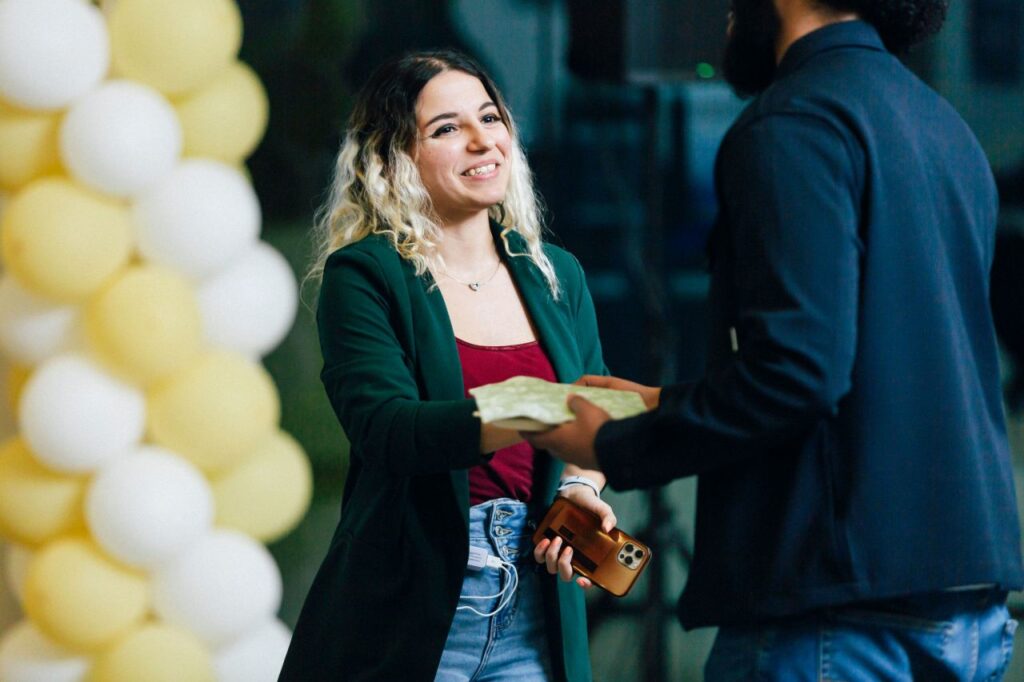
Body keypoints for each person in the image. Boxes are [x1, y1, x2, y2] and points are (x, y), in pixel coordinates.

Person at [528, 0, 1024, 679]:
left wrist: (611, 443)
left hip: (836, 619)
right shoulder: (944, 128)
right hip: (967, 607)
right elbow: (863, 368)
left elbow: (799, 372)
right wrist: (660, 404)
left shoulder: (791, 123)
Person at [278, 50, 614, 682]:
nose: (483, 139)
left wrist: (579, 488)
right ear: (394, 159)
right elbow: (389, 431)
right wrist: (533, 407)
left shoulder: (555, 273)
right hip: (416, 607)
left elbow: (590, 418)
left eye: (490, 117)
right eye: (447, 128)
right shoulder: (366, 275)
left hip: (537, 608)